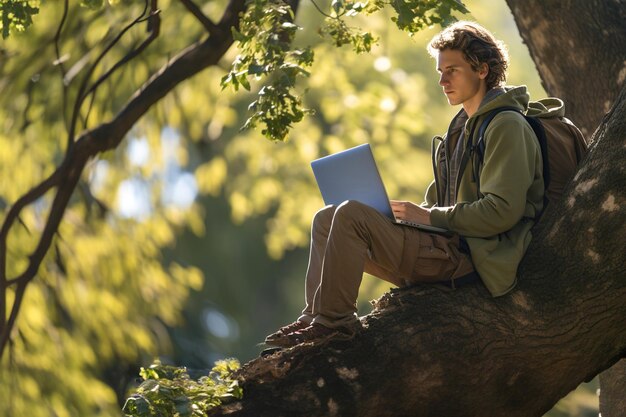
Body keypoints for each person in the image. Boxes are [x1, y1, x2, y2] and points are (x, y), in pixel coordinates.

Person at [265, 21, 544, 348]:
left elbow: (502, 212)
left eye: (452, 70)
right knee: (327, 218)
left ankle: (334, 325)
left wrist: (429, 217)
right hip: (446, 244)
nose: (442, 80)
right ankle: (313, 318)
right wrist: (404, 214)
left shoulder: (506, 125)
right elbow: (443, 205)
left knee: (352, 216)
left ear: (482, 70)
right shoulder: (460, 129)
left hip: (474, 258)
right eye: (440, 71)